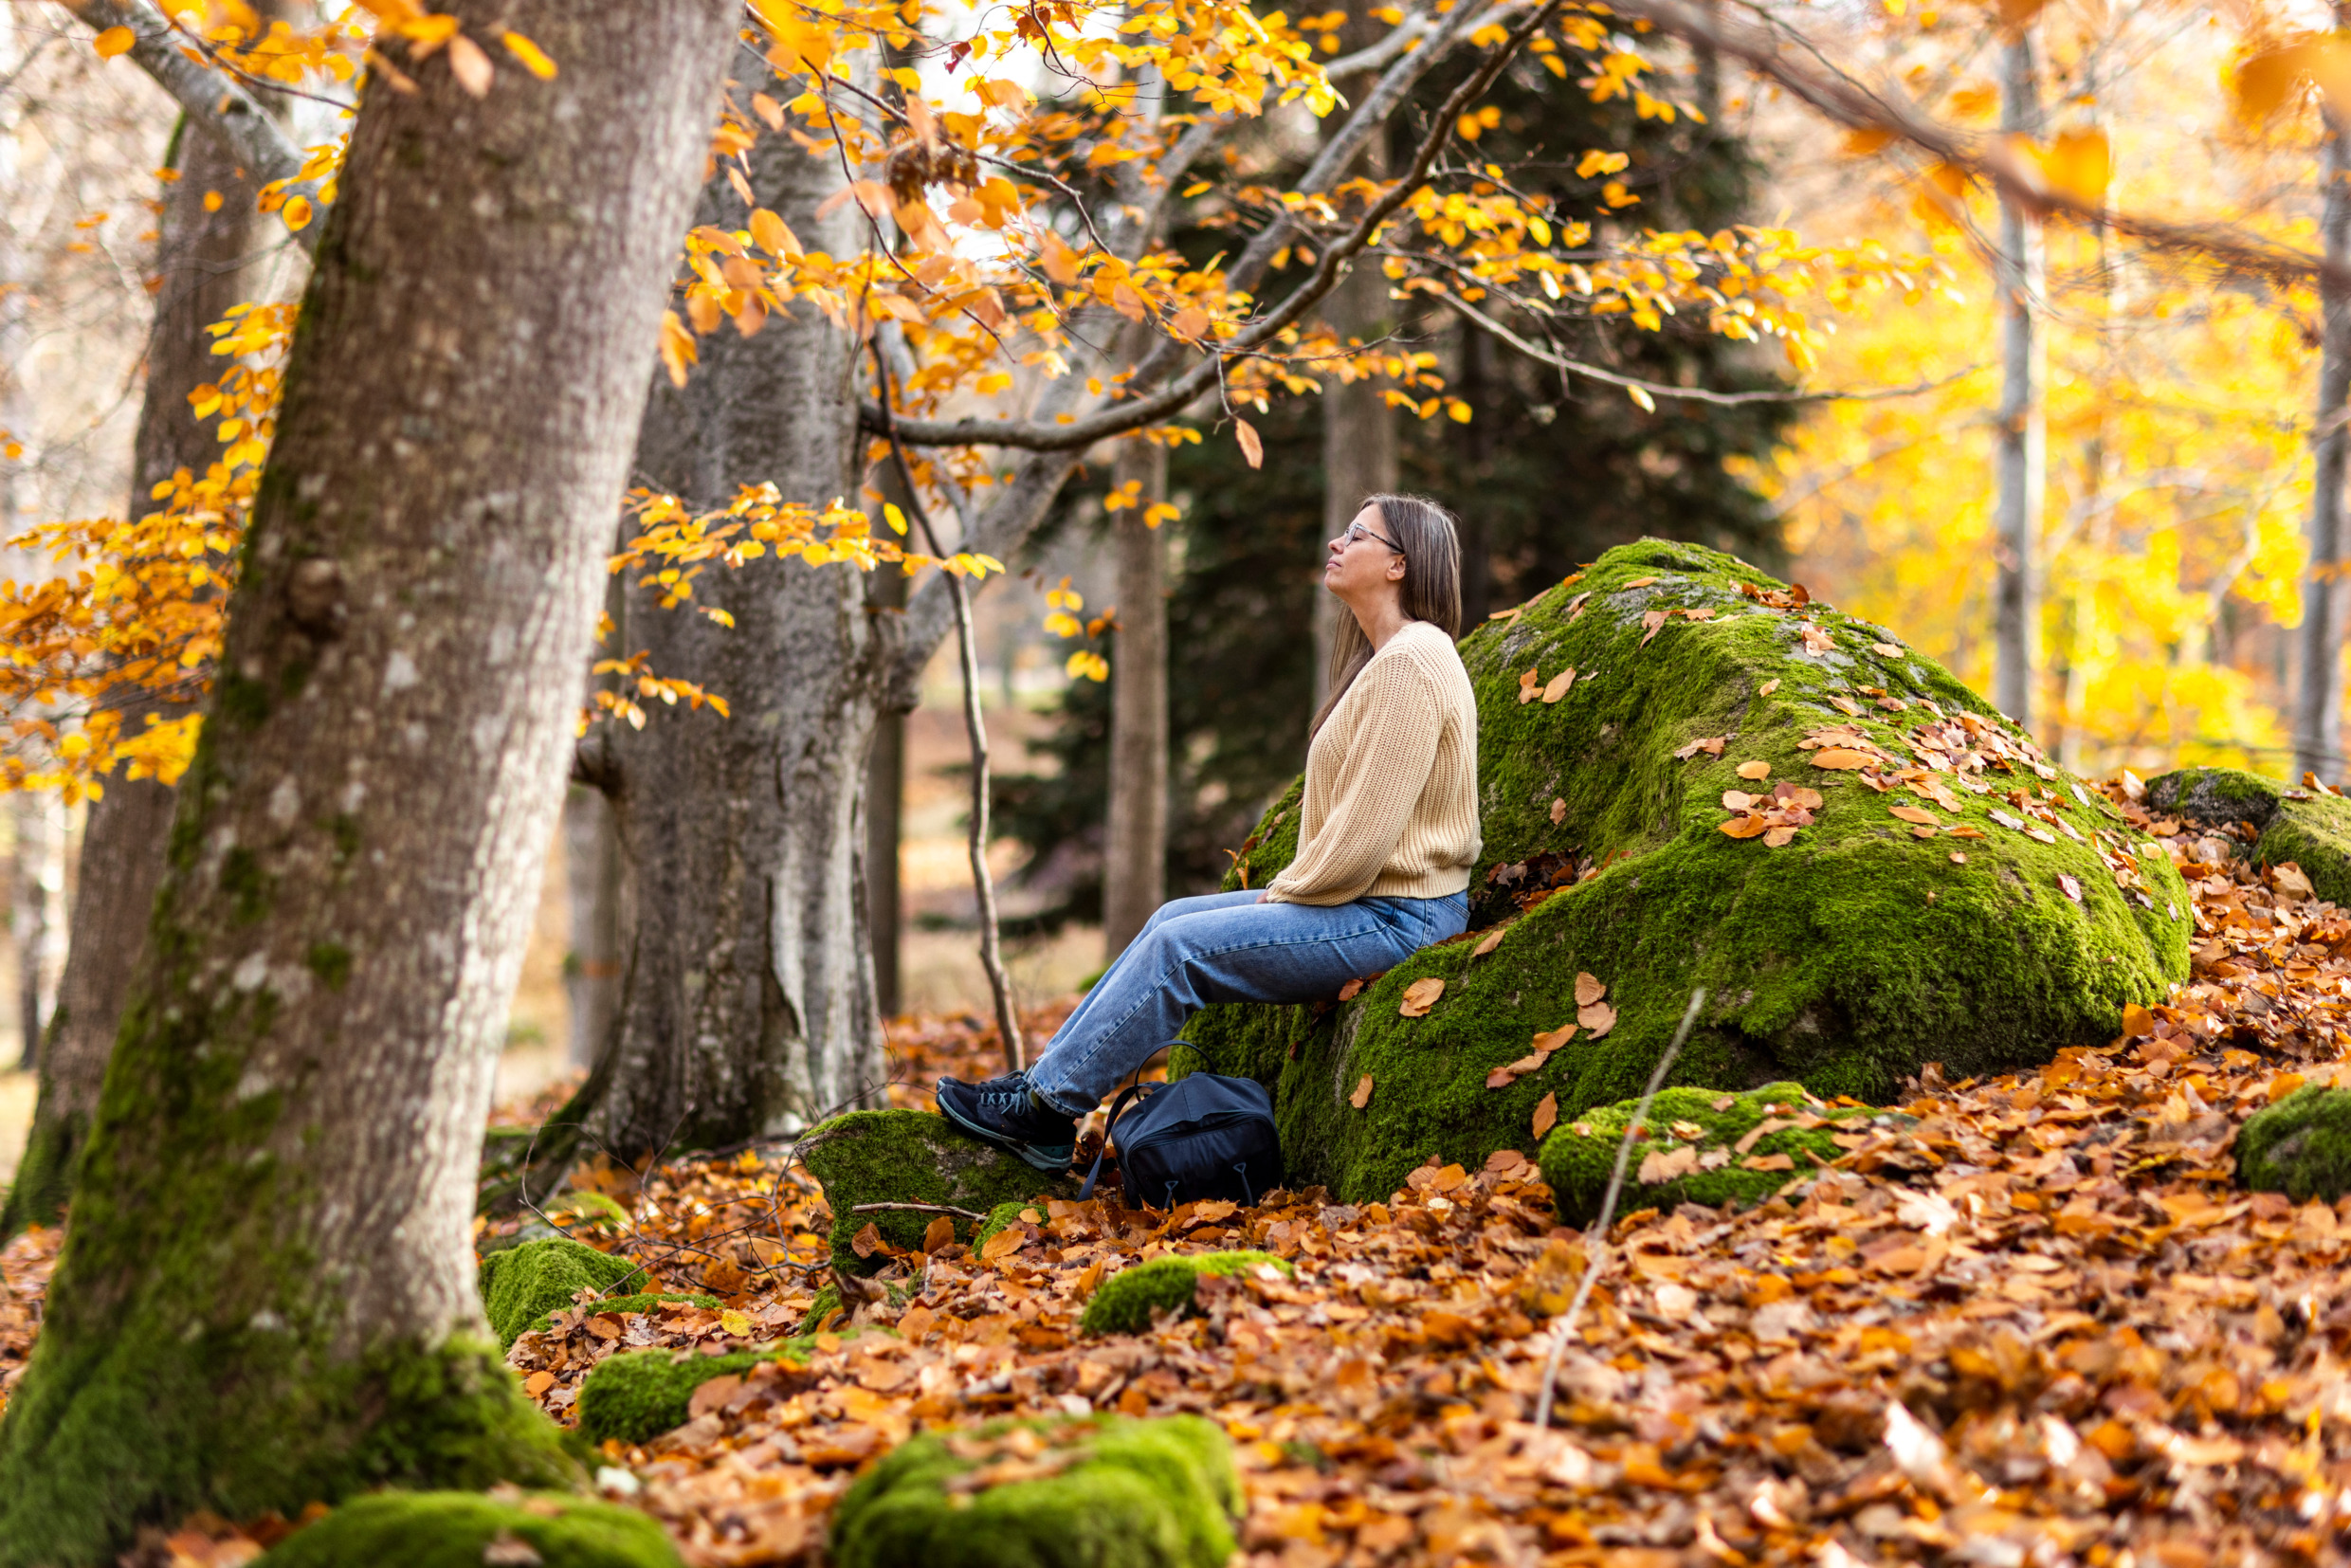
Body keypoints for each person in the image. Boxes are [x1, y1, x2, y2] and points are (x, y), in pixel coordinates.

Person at [936, 492, 1483, 1172]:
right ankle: (1040, 1087)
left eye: (1356, 534)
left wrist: (1286, 896)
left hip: (1402, 918)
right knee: (1170, 920)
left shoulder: (1411, 662)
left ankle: (1045, 1113)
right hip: (1379, 906)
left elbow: (1365, 839)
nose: (1337, 543)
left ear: (1399, 564)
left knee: (1179, 951)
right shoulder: (1393, 658)